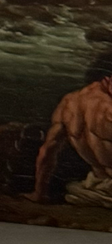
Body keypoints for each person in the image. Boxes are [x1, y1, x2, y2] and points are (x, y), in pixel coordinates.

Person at [30, 74, 112, 207]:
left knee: (74, 187)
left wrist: (39, 193)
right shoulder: (108, 110)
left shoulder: (69, 103)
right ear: (107, 79)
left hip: (95, 186)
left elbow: (47, 151)